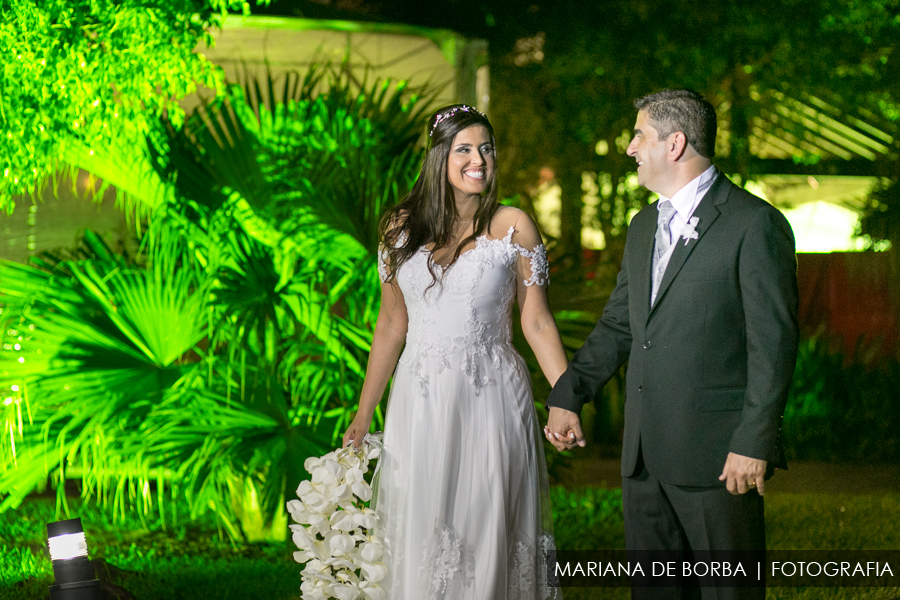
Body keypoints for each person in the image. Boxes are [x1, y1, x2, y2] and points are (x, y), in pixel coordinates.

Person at [544, 89, 799, 599]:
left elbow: (773, 345)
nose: (631, 148)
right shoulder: (642, 226)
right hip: (642, 460)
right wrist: (569, 394)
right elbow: (620, 324)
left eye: (639, 135)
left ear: (675, 143)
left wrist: (753, 442)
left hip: (717, 461)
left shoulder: (754, 224)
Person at [343, 104, 568, 600]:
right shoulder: (397, 230)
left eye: (486, 148)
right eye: (465, 148)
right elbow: (390, 325)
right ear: (439, 156)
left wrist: (565, 396)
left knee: (487, 520)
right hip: (419, 402)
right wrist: (363, 415)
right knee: (422, 522)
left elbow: (535, 320)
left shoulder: (514, 226)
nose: (479, 159)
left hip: (491, 397)